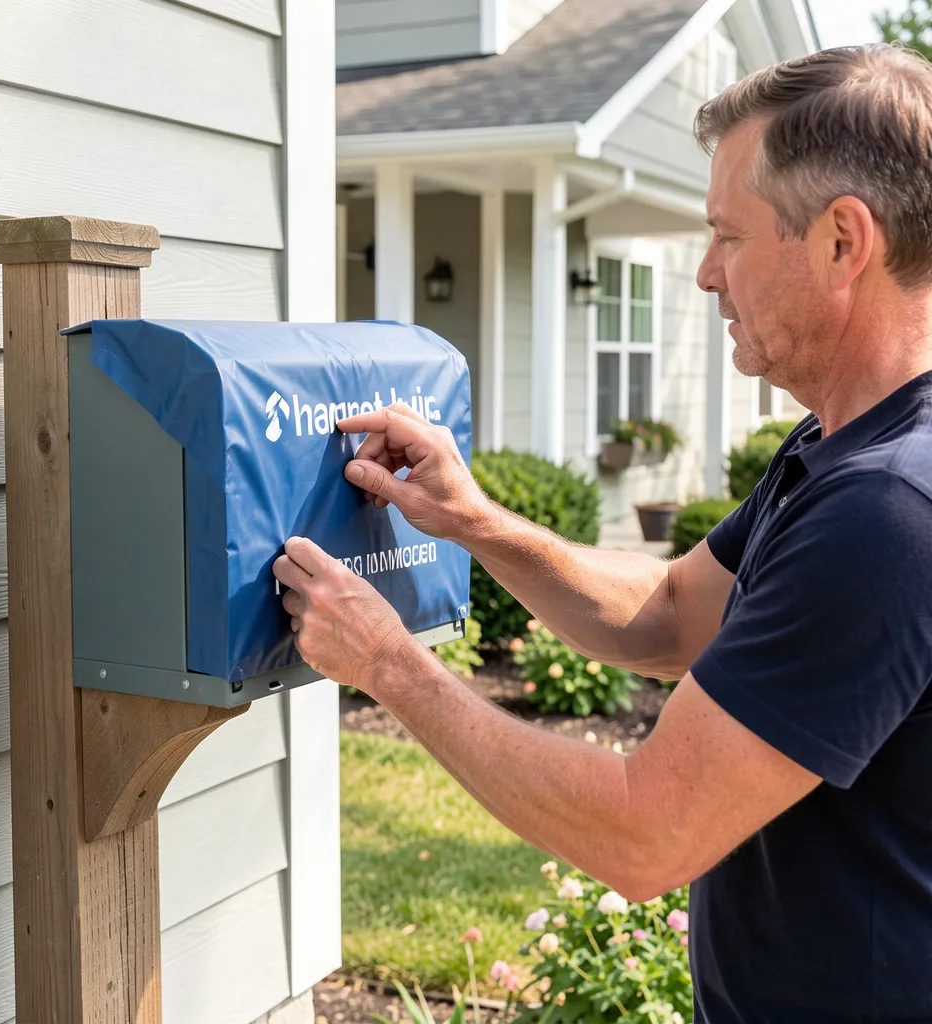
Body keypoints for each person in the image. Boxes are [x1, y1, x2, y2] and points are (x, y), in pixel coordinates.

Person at [273, 43, 932, 1022]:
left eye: (728, 236)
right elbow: (668, 616)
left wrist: (390, 665)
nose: (705, 274)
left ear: (842, 242)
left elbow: (646, 835)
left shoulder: (889, 511)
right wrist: (473, 520)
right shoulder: (834, 450)